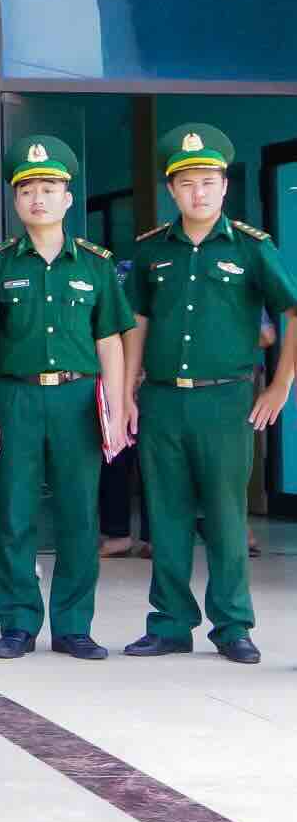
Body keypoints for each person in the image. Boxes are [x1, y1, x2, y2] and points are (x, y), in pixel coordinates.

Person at [122, 124, 297, 665]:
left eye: (208, 181)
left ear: (224, 186)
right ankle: (170, 623)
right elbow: (138, 323)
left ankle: (232, 625)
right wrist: (127, 391)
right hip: (163, 400)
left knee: (225, 516)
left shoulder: (251, 247)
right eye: (186, 183)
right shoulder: (152, 251)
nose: (198, 192)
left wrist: (280, 384)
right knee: (166, 515)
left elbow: (291, 311)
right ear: (172, 191)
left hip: (227, 401)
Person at [0, 136, 133, 661]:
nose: (38, 198)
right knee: (16, 514)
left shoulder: (94, 265)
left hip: (77, 400)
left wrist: (114, 409)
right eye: (27, 190)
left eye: (49, 188)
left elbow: (109, 342)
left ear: (68, 197)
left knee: (78, 516)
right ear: (16, 201)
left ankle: (73, 625)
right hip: (17, 399)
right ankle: (17, 624)